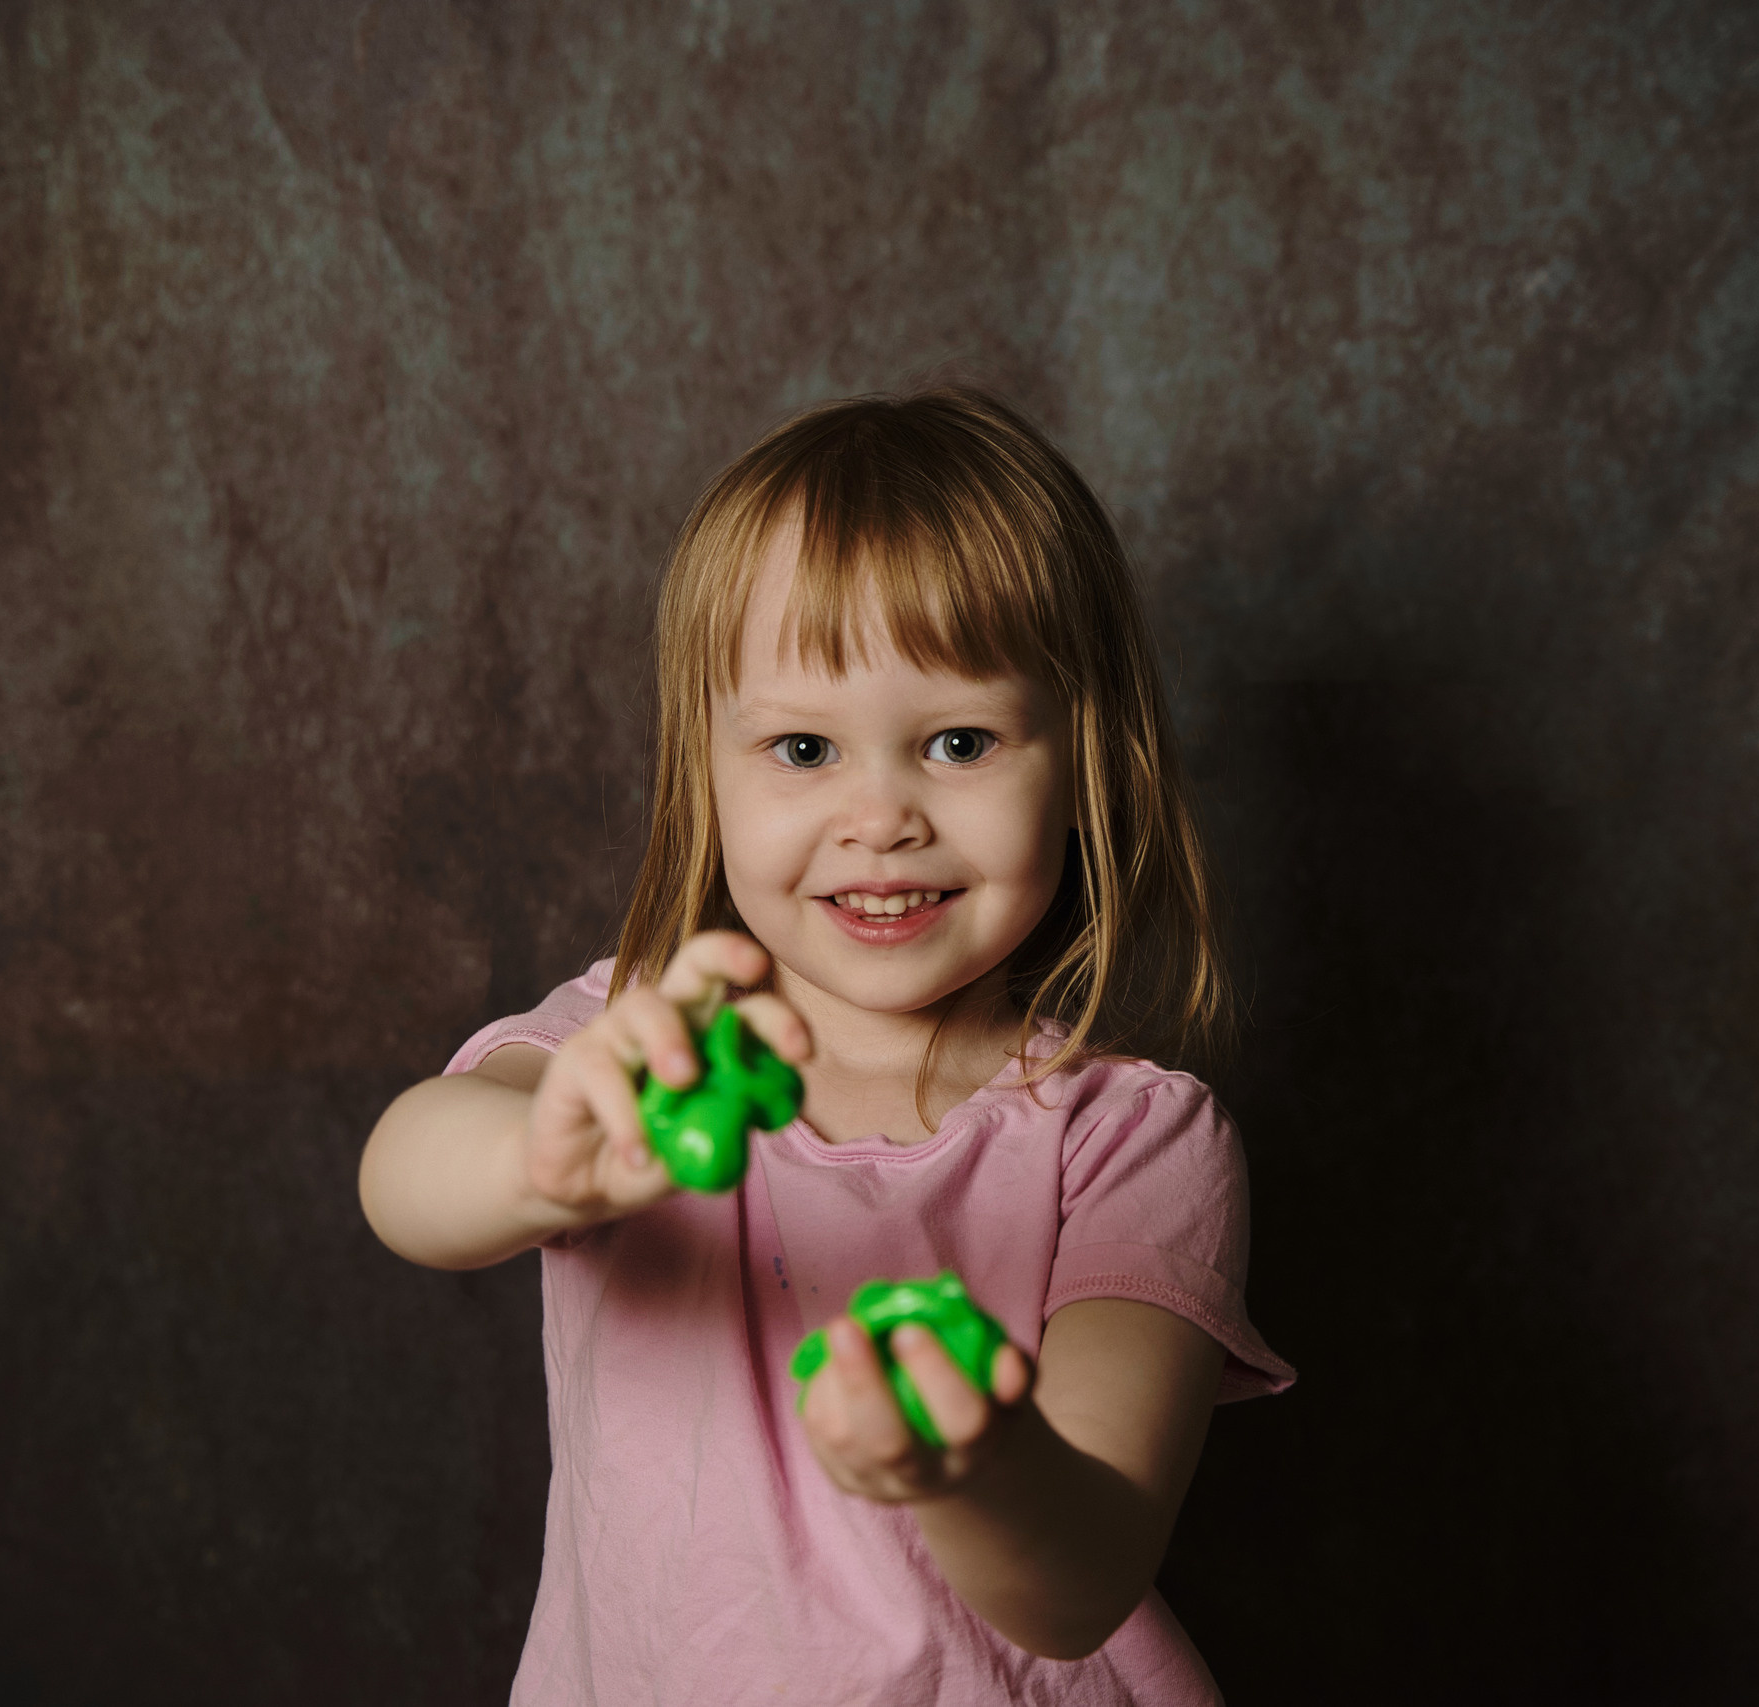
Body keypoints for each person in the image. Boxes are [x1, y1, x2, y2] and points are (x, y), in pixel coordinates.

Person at [358, 386, 1294, 1704]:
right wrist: (539, 1161)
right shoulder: (637, 1052)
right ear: (707, 768)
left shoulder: (1134, 1141)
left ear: (1084, 759)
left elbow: (1080, 1586)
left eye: (960, 742)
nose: (881, 816)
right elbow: (404, 1181)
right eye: (804, 747)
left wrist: (968, 1470)